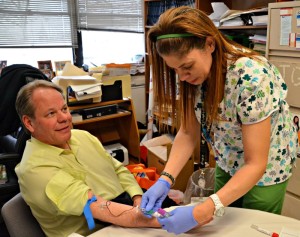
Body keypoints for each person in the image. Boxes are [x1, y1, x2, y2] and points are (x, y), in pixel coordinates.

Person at [141, 6, 298, 235]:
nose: (182, 77)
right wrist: (165, 179)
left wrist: (206, 208)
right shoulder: (186, 75)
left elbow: (255, 163)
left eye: (186, 67)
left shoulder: (251, 77)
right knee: (223, 225)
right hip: (229, 157)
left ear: (209, 44)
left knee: (251, 229)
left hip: (266, 169)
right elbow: (187, 132)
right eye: (175, 69)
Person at [14, 80, 161, 237]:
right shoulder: (34, 170)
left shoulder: (82, 137)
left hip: (126, 209)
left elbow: (118, 170)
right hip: (98, 231)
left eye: (64, 109)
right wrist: (164, 220)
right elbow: (95, 206)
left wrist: (137, 198)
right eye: (51, 113)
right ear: (29, 123)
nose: (64, 118)